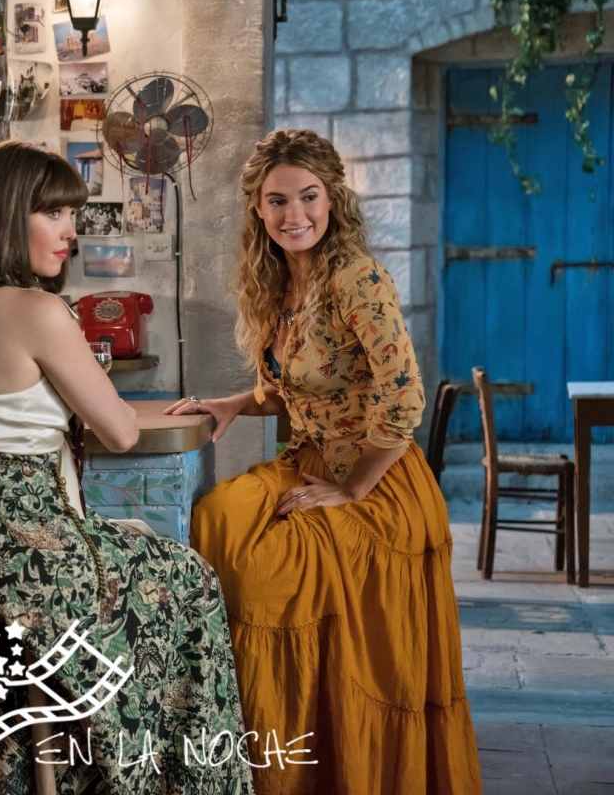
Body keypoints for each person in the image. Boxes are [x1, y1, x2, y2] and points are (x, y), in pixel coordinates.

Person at [0, 140, 253, 795]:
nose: (70, 232)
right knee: (191, 579)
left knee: (122, 561)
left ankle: (34, 767)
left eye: (72, 215)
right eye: (53, 213)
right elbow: (121, 430)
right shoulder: (40, 312)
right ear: (5, 215)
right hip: (24, 564)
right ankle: (163, 779)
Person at [167, 129, 482, 794]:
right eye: (278, 201)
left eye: (308, 197)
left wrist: (353, 490)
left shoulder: (355, 277)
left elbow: (404, 396)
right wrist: (234, 403)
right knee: (217, 519)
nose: (295, 215)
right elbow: (300, 387)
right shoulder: (279, 280)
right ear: (258, 209)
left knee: (266, 576)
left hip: (377, 478)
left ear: (332, 199)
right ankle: (234, 754)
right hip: (307, 458)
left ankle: (316, 767)